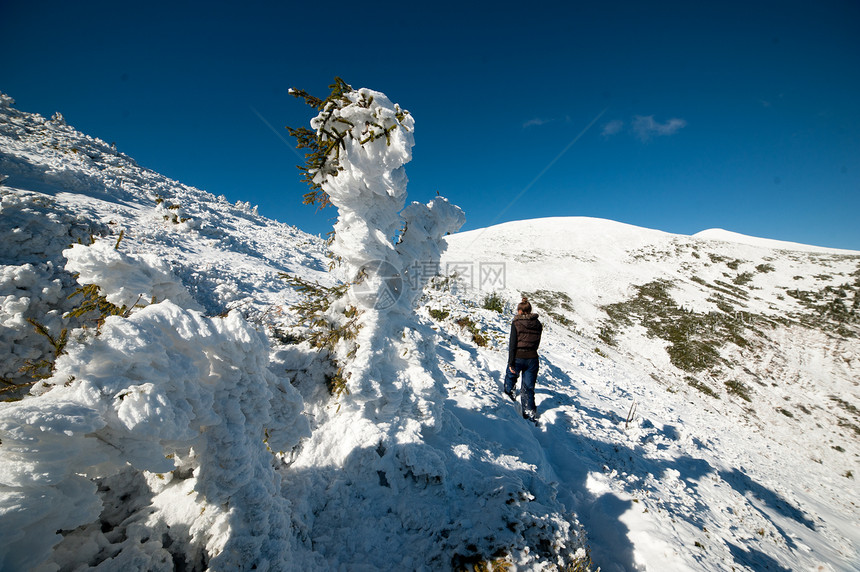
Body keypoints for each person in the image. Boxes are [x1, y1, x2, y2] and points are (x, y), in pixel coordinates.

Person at [504, 297, 543, 422]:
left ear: (521, 311)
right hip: (532, 358)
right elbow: (537, 342)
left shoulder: (516, 323)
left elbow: (512, 344)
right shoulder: (538, 324)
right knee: (528, 388)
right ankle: (529, 414)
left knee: (511, 377)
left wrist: (510, 362)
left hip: (518, 357)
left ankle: (509, 398)